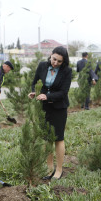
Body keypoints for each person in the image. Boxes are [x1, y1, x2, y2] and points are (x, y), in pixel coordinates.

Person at [28, 46, 72, 180]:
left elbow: (63, 92)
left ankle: (59, 170)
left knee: (58, 138)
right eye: (54, 59)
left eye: (59, 61)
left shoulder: (67, 71)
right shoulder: (42, 66)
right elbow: (35, 82)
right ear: (51, 55)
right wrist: (34, 91)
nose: (55, 63)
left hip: (59, 108)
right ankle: (49, 169)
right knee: (47, 138)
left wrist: (48, 96)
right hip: (44, 107)